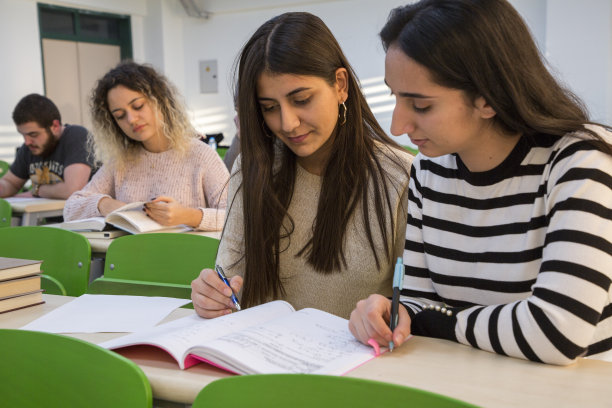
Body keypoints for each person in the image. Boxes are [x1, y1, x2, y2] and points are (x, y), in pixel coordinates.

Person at [348, 0, 612, 365]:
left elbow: (558, 329)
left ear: (488, 98)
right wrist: (394, 314)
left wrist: (433, 320)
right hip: (474, 382)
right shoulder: (429, 170)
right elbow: (421, 302)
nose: (397, 126)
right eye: (395, 96)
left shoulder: (580, 160)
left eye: (421, 106)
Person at [191, 12, 413, 319]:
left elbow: (414, 307)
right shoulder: (255, 167)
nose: (287, 123)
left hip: (356, 364)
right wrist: (212, 296)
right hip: (261, 357)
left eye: (302, 99)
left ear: (340, 85)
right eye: (269, 108)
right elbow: (231, 282)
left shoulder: (399, 177)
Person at [63, 61, 229, 231]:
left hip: (186, 255)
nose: (131, 119)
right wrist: (105, 204)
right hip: (133, 255)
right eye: (120, 116)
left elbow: (236, 217)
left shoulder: (200, 155)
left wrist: (188, 216)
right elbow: (70, 208)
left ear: (160, 101)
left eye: (138, 106)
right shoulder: (121, 161)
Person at [0, 94, 93, 199]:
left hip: (85, 215)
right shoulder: (29, 148)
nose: (27, 142)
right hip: (44, 214)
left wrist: (38, 190)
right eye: (23, 135)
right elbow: (10, 183)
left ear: (55, 126)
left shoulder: (76, 136)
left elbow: (72, 190)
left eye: (33, 134)